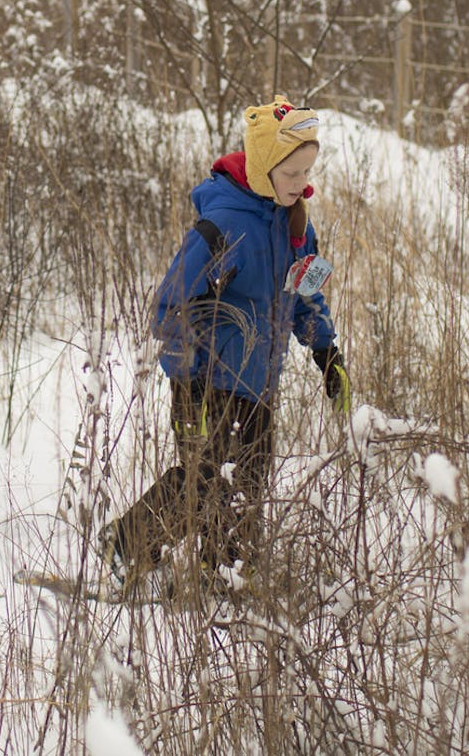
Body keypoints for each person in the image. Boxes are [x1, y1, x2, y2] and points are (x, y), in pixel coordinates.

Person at [102, 95, 349, 588]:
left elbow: (306, 295)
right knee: (204, 480)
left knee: (250, 480)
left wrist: (326, 352)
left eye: (307, 172)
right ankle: (126, 545)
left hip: (259, 382)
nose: (303, 184)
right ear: (262, 170)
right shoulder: (226, 226)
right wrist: (185, 373)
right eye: (292, 174)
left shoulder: (300, 226)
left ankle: (227, 568)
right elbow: (170, 302)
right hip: (207, 379)